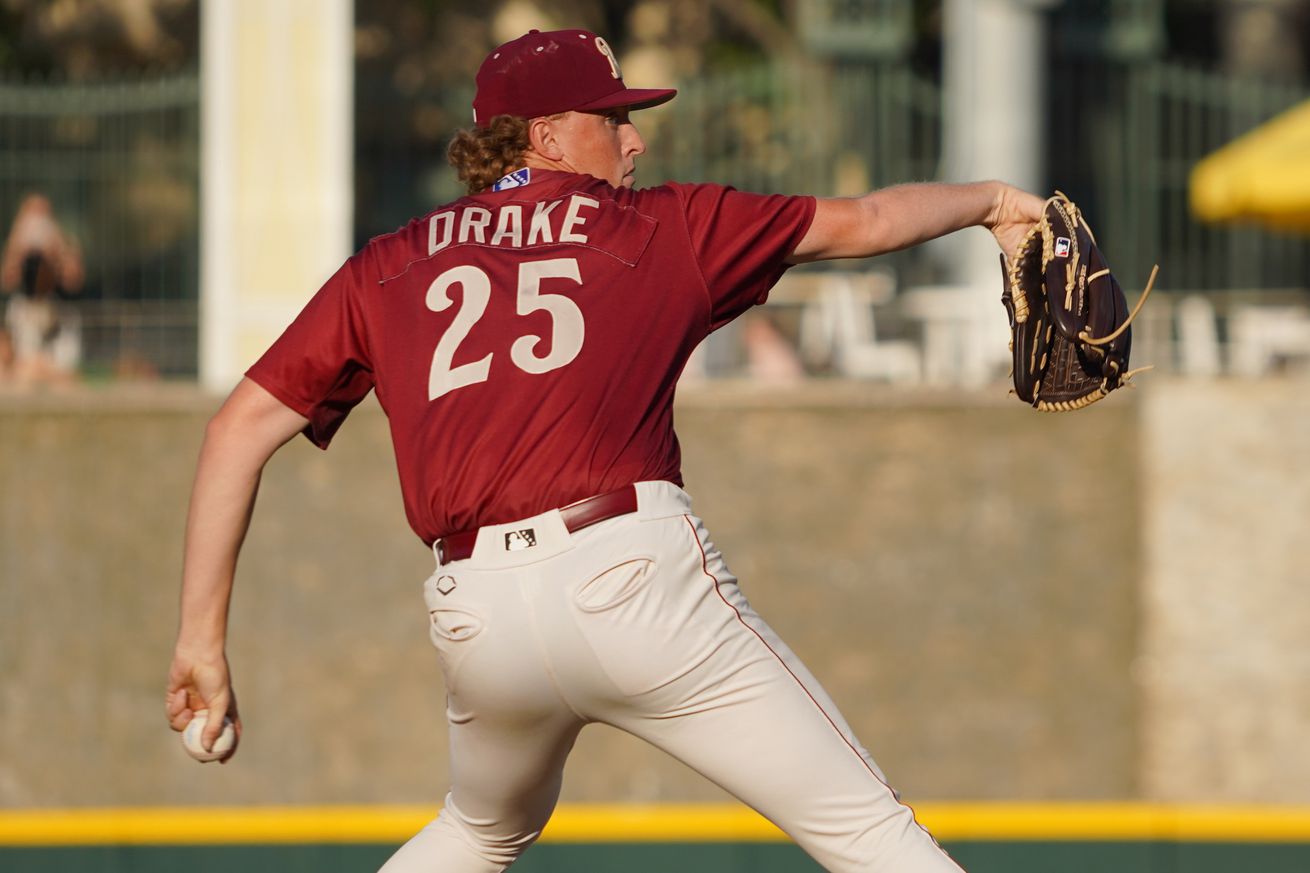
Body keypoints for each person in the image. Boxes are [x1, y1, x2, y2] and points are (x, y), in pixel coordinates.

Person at [165, 28, 1044, 873]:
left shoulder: (388, 265)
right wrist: (996, 203)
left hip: (477, 615)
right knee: (870, 834)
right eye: (612, 117)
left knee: (476, 833)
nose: (634, 139)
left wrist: (201, 641)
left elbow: (234, 431)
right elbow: (869, 220)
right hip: (635, 583)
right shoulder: (663, 228)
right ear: (545, 135)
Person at [0, 193, 85, 386]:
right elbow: (7, 280)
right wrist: (18, 245)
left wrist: (56, 250)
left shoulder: (62, 242)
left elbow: (74, 280)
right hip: (28, 313)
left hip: (56, 313)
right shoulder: (17, 246)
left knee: (59, 373)